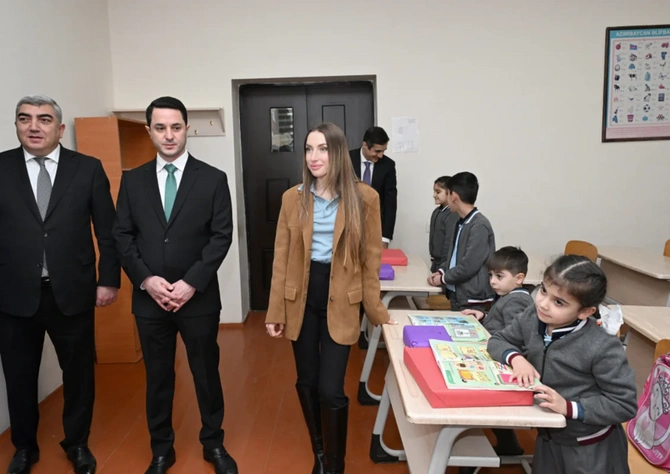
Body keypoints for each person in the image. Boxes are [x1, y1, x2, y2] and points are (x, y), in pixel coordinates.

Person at [113, 97, 235, 474]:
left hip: (197, 299)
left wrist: (190, 283)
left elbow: (221, 236)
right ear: (149, 131)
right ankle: (162, 449)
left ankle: (213, 443)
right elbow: (122, 236)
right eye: (161, 127)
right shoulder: (132, 181)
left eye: (176, 127)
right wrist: (146, 280)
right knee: (158, 378)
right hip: (149, 301)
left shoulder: (213, 179)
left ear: (187, 129)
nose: (169, 135)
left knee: (206, 374)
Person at [266, 122, 395, 474]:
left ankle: (336, 465)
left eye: (322, 149)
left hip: (342, 300)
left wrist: (379, 313)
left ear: (337, 152)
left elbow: (371, 261)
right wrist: (275, 311)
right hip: (301, 299)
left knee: (331, 389)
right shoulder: (292, 198)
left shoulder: (365, 198)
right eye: (309, 149)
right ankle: (321, 456)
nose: (314, 156)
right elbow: (281, 258)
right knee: (306, 382)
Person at [0, 95, 120, 474]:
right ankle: (24, 448)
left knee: (79, 375)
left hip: (73, 291)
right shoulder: (1, 167)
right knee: (19, 377)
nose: (34, 126)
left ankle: (77, 443)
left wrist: (108, 280)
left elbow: (108, 231)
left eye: (44, 119)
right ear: (16, 125)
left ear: (60, 128)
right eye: (25, 119)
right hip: (13, 295)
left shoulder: (87, 168)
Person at [488, 255, 638, 474]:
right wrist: (516, 358)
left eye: (558, 302)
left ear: (585, 312)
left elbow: (624, 404)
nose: (543, 303)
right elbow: (498, 340)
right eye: (543, 291)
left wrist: (570, 407)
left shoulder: (602, 347)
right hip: (548, 435)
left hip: (589, 447)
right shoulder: (533, 317)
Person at [458, 246, 533, 473]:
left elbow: (515, 335)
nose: (493, 281)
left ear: (519, 278)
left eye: (499, 276)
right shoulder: (510, 296)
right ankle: (509, 445)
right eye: (491, 275)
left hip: (505, 362)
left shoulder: (516, 301)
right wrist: (484, 315)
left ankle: (476, 456)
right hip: (499, 355)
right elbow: (503, 322)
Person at [428, 172, 495, 311]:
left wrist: (443, 278)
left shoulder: (479, 225)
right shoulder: (460, 222)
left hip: (472, 299)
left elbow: (468, 266)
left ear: (453, 196)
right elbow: (453, 258)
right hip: (457, 294)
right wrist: (441, 271)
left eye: (447, 193)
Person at [348, 126, 397, 248]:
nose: (380, 155)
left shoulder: (388, 165)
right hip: (348, 226)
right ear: (365, 145)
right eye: (377, 151)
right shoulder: (346, 159)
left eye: (383, 151)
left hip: (375, 228)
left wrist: (385, 237)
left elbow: (390, 203)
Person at [428, 175, 458, 273]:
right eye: (434, 191)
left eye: (438, 192)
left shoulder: (452, 214)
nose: (434, 195)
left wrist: (444, 265)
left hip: (444, 264)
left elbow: (449, 241)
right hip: (435, 262)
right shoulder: (436, 211)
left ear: (449, 192)